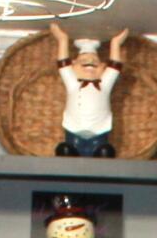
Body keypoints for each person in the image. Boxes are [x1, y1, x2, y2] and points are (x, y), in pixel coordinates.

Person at [44, 24, 130, 157]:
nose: (90, 64)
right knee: (65, 150)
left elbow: (115, 66)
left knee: (104, 151)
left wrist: (115, 43)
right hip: (74, 132)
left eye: (94, 63)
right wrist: (62, 39)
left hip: (99, 133)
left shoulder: (104, 85)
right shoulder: (73, 83)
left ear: (102, 68)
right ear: (73, 66)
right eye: (83, 62)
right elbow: (62, 63)